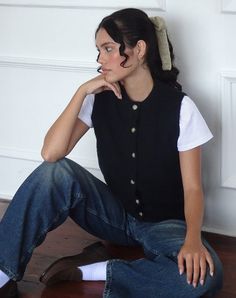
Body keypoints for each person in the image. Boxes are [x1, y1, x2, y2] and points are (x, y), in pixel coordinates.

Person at [0, 7, 223, 298]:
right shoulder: (99, 99)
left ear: (139, 49)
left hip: (166, 224)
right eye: (98, 51)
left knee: (207, 277)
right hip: (113, 217)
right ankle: (3, 271)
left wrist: (193, 240)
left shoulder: (181, 108)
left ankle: (95, 270)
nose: (100, 60)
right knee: (54, 173)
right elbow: (51, 153)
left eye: (108, 49)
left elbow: (193, 189)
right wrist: (81, 92)